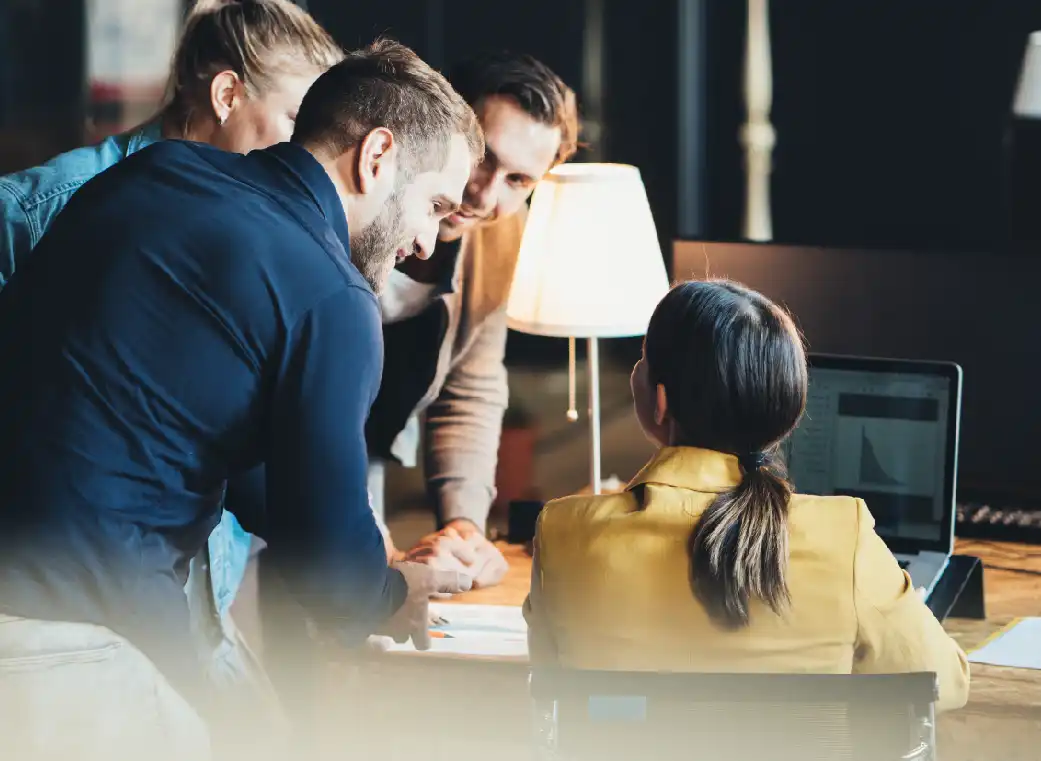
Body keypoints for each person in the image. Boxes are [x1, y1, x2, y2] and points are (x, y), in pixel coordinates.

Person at [0, 38, 482, 760]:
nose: (423, 243)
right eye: (435, 206)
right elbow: (323, 571)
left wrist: (361, 551)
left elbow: (187, 429)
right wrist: (396, 587)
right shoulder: (333, 297)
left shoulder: (155, 173)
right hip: (67, 637)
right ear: (376, 155)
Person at [0, 0, 343, 692]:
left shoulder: (263, 241)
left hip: (199, 591)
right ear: (225, 94)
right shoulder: (41, 206)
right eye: (295, 125)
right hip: (57, 615)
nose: (308, 157)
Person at [523, 280, 970, 713]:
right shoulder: (843, 536)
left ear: (658, 401)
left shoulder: (564, 532)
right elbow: (943, 685)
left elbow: (549, 676)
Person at [363, 52, 580, 586]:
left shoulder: (503, 233)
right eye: (484, 157)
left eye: (519, 181)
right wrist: (368, 544)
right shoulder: (361, 197)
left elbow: (470, 388)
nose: (484, 196)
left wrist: (463, 528)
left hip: (366, 446)